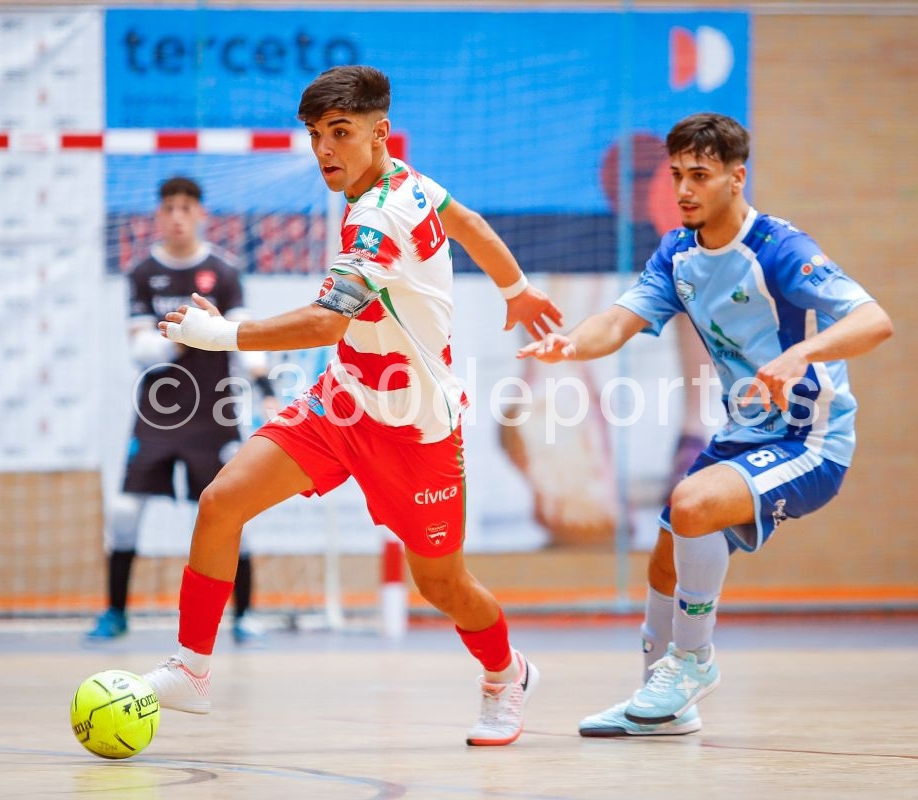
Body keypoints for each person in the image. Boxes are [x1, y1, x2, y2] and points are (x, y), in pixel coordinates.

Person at [135, 65, 563, 747]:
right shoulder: (407, 184)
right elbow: (471, 222)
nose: (325, 149)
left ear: (378, 131)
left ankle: (505, 675)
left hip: (416, 431)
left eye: (340, 132)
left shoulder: (379, 216)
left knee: (444, 584)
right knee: (221, 503)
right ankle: (191, 668)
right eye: (316, 135)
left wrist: (222, 334)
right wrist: (516, 289)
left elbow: (327, 321)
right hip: (342, 404)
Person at [518, 112, 893, 737]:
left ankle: (693, 663)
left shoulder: (780, 250)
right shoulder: (679, 253)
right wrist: (569, 346)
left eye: (700, 175)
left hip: (811, 439)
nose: (684, 189)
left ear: (735, 178)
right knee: (665, 559)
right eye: (676, 176)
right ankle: (661, 706)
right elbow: (617, 321)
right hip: (743, 435)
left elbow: (875, 320)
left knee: (691, 503)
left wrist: (803, 351)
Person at [87, 176, 268, 646]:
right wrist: (192, 331)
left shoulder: (224, 273)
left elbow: (245, 338)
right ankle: (115, 613)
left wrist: (262, 377)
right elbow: (143, 348)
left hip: (215, 416)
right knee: (123, 511)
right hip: (158, 415)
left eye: (187, 206)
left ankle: (245, 617)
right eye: (169, 207)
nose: (178, 215)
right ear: (157, 215)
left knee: (228, 514)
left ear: (201, 214)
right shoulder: (144, 272)